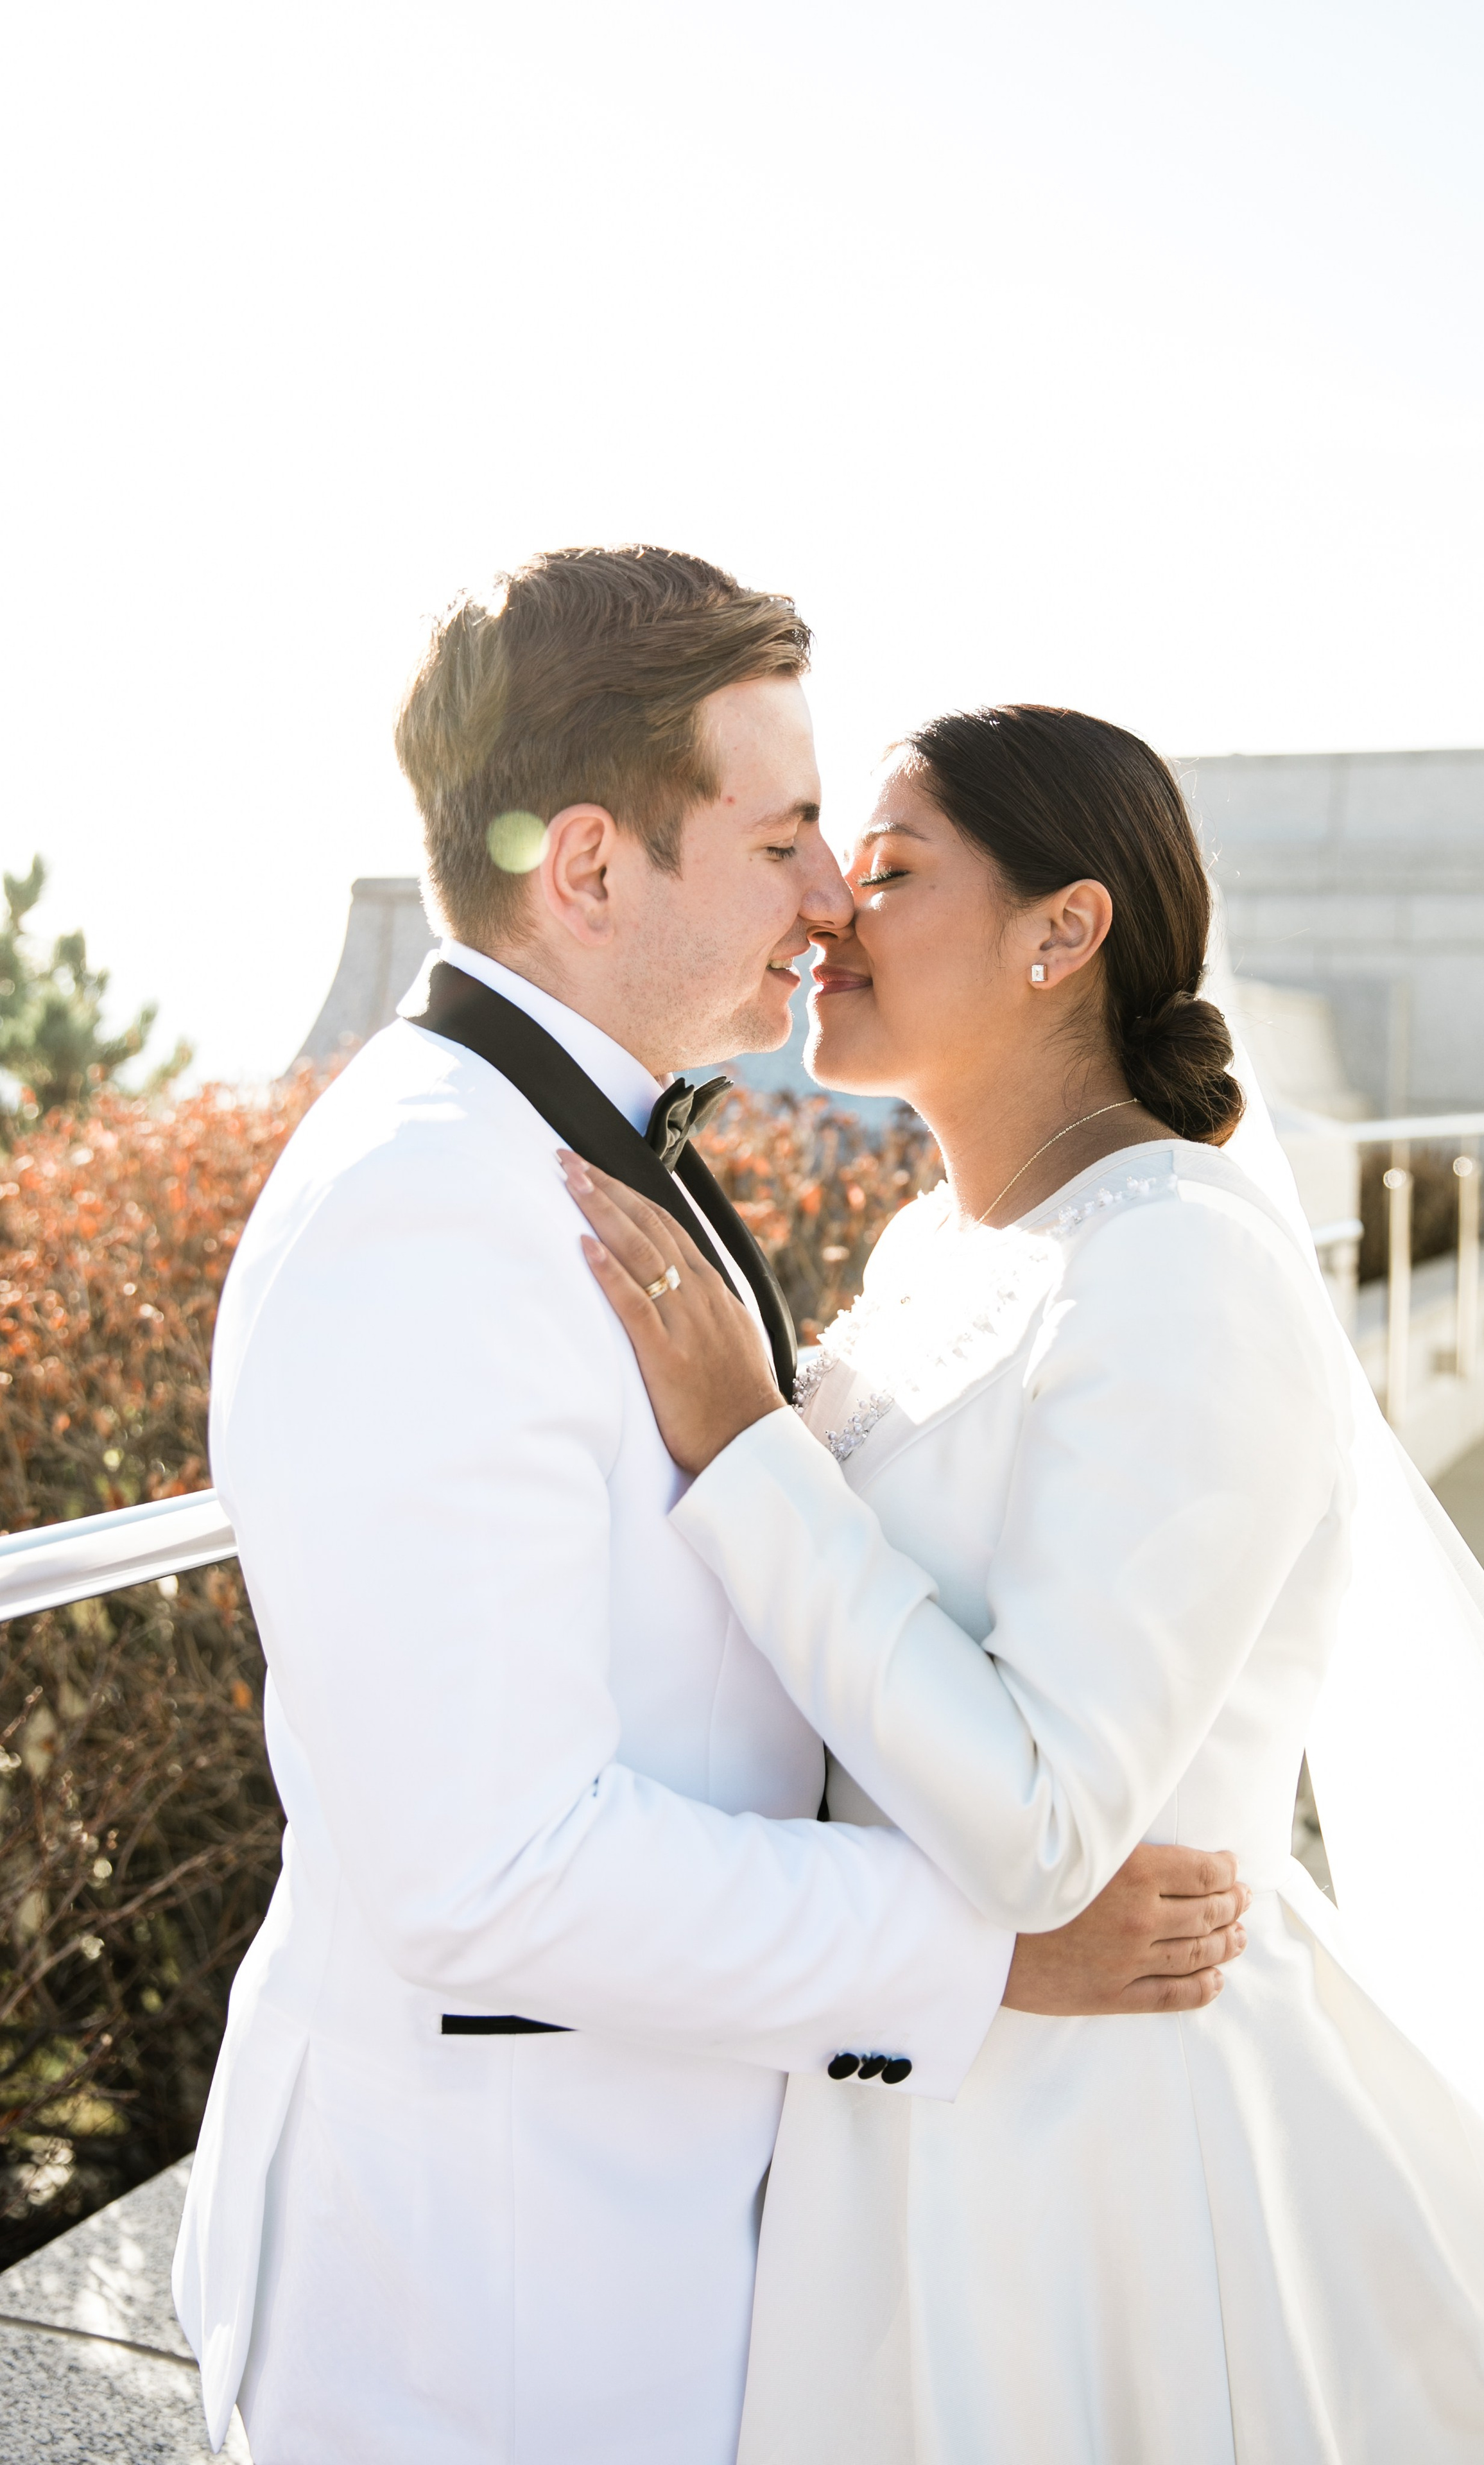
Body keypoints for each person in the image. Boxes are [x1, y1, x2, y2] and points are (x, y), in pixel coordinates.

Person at [171, 558, 1249, 2462]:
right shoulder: (434, 1210)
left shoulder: (566, 1145)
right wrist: (985, 1957)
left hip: (646, 2224)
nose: (835, 894)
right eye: (785, 836)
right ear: (587, 870)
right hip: (492, 2302)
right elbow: (489, 1871)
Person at [569, 702, 1484, 2462]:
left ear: (1064, 932)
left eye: (898, 868)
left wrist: (750, 1453)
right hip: (897, 2104)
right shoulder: (945, 1242)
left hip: (1094, 2171)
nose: (833, 904)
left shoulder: (1185, 1275)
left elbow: (1051, 1823)